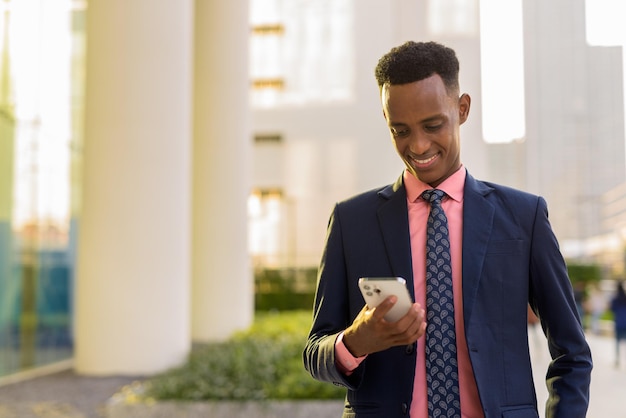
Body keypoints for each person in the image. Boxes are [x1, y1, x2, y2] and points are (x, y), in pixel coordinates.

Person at [303, 41, 592, 417]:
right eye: (400, 130)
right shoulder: (351, 222)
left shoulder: (524, 217)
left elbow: (573, 354)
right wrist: (355, 342)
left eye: (432, 125)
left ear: (462, 108)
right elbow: (314, 353)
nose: (418, 145)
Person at [611, 280, 626, 367]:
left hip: (619, 322)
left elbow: (612, 309)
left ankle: (617, 359)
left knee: (617, 342)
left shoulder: (615, 299)